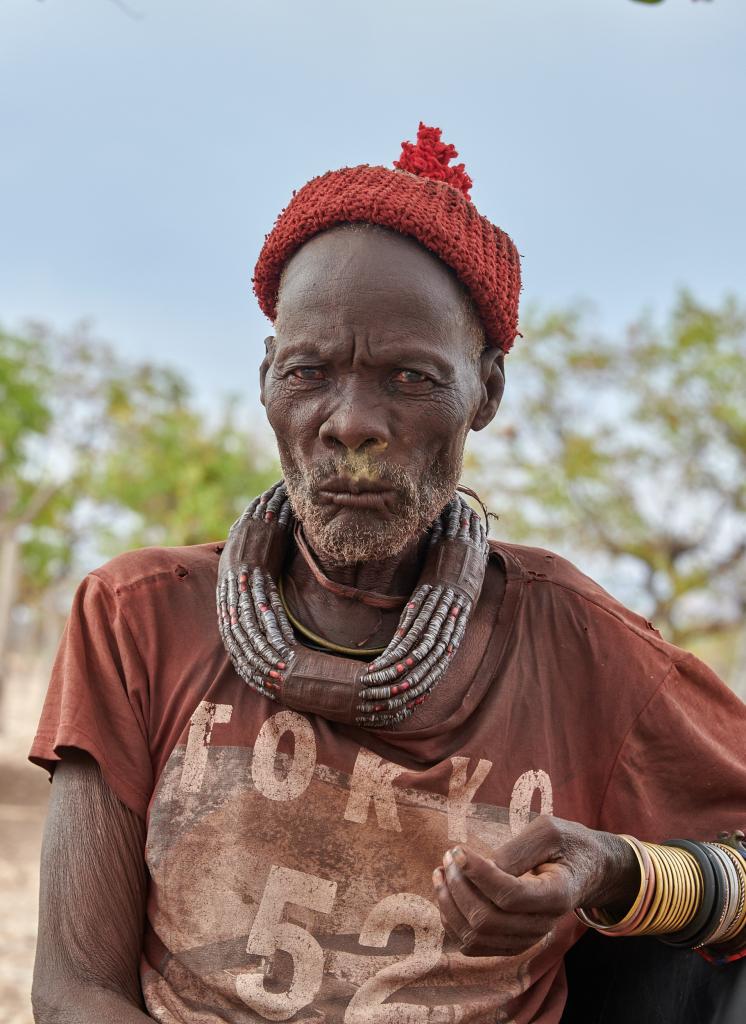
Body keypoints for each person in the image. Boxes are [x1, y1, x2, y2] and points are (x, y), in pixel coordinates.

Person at [30, 123, 746, 1024]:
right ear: (265, 381)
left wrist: (616, 870)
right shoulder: (138, 619)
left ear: (485, 391)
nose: (352, 423)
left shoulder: (577, 647)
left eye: (409, 377)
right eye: (310, 371)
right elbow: (75, 993)